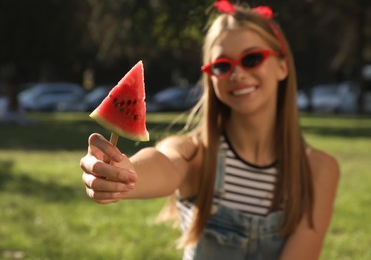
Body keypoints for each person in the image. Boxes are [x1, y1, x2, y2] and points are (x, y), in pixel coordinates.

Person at [80, 2, 340, 259]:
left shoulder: (317, 170)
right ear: (210, 77)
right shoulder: (195, 153)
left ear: (283, 66)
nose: (237, 73)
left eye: (251, 59)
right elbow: (165, 163)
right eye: (222, 66)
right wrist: (125, 174)